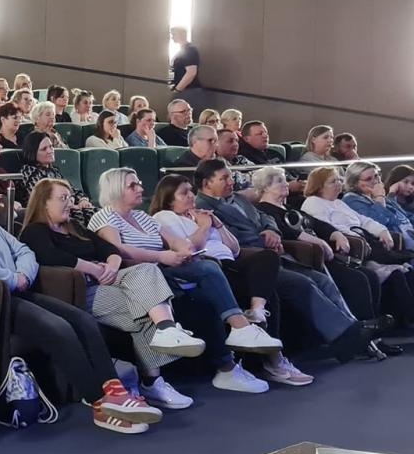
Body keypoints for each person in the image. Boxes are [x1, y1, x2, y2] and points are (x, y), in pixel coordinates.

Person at [0, 173, 147, 427]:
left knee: (81, 319)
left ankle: (115, 391)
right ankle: (99, 403)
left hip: (16, 291)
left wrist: (23, 274)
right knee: (58, 329)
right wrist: (13, 278)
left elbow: (24, 250)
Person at [89, 167, 292, 397]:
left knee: (208, 290)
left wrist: (184, 248)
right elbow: (117, 250)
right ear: (115, 190)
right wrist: (162, 256)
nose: (140, 188)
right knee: (207, 269)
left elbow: (179, 242)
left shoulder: (143, 217)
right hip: (136, 278)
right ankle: (239, 330)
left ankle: (228, 366)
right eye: (132, 185)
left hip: (163, 271)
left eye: (139, 183)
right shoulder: (105, 216)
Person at [20, 177, 216, 404]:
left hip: (108, 279)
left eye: (71, 198)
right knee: (145, 309)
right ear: (44, 202)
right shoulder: (35, 231)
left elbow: (110, 249)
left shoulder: (75, 227)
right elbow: (52, 257)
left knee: (146, 272)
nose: (70, 203)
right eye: (63, 198)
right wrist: (93, 268)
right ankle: (152, 381)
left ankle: (166, 330)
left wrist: (111, 267)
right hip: (81, 290)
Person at [190, 159, 372, 364]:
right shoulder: (202, 207)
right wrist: (264, 239)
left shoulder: (237, 199)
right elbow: (230, 239)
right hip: (251, 261)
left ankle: (350, 332)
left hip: (273, 252)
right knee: (303, 283)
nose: (231, 181)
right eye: (224, 178)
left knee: (321, 279)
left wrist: (272, 231)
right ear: (207, 183)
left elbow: (265, 217)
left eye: (230, 176)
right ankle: (349, 338)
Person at [252, 165, 386, 331]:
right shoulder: (263, 210)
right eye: (279, 181)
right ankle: (357, 329)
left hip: (323, 255)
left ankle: (371, 330)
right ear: (265, 187)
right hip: (306, 258)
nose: (286, 183)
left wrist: (336, 234)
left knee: (369, 275)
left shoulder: (289, 208)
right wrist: (320, 243)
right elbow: (288, 233)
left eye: (285, 179)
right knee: (356, 280)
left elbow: (318, 224)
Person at [168, 26, 203, 110]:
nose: (172, 37)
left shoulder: (189, 50)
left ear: (182, 34)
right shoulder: (182, 50)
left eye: (174, 34)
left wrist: (178, 90)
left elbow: (191, 72)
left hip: (188, 90)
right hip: (183, 90)